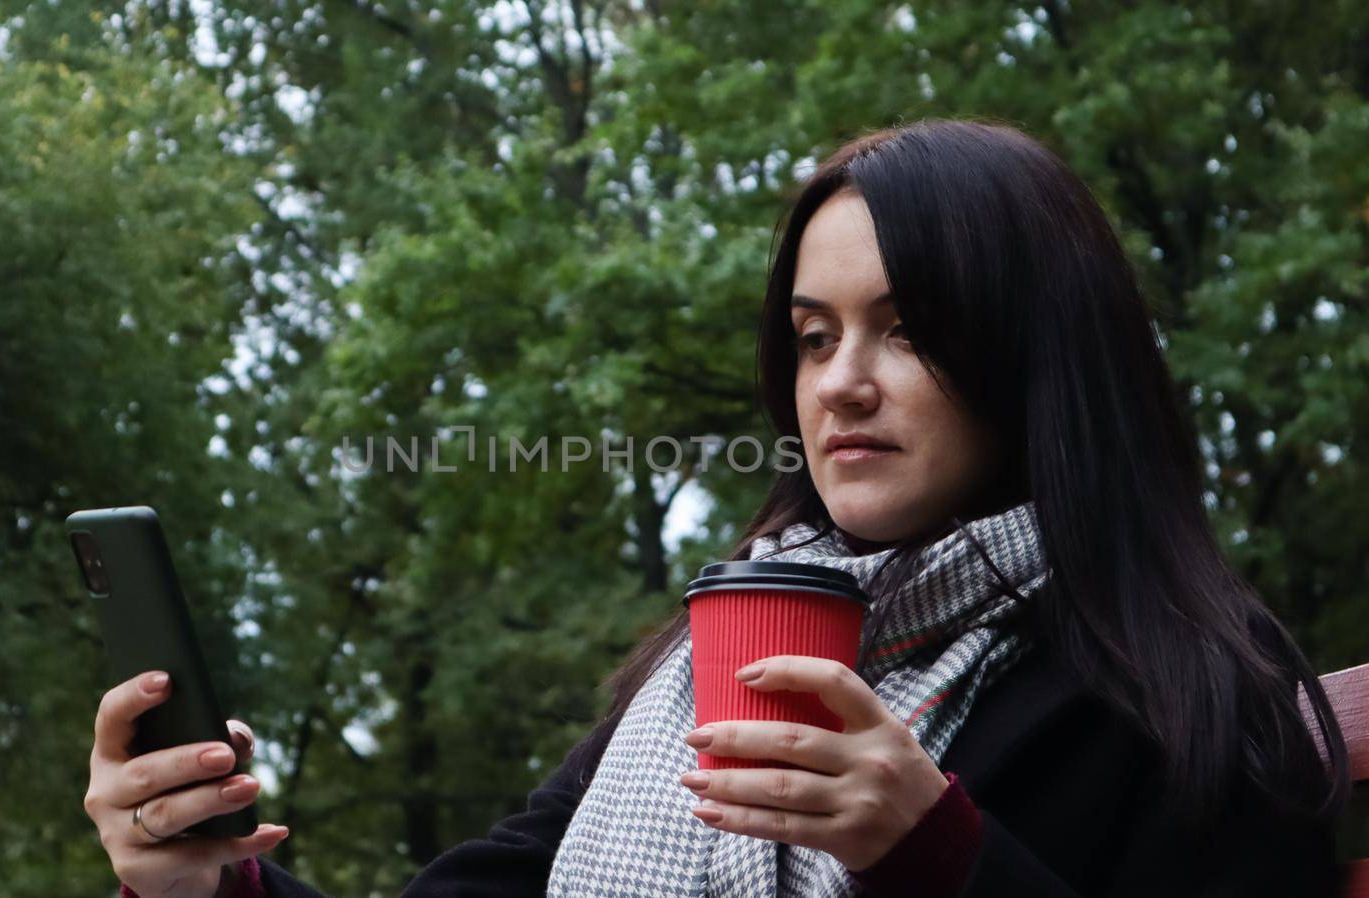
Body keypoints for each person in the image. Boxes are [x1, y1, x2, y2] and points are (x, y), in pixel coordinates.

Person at [82, 118, 1350, 897]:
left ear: (1038, 358)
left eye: (905, 330)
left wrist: (935, 857)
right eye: (811, 337)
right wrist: (206, 879)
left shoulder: (1196, 693)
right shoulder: (714, 658)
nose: (841, 383)